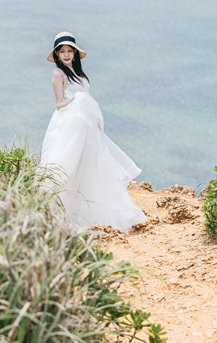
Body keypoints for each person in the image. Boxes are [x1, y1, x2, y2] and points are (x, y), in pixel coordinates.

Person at [40, 32, 147, 233]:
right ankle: (61, 211)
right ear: (56, 54)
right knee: (70, 163)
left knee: (91, 164)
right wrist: (80, 101)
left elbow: (86, 98)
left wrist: (93, 117)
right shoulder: (58, 73)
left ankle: (93, 210)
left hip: (86, 123)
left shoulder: (78, 72)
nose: (66, 55)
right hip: (71, 122)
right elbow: (59, 104)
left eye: (69, 51)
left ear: (74, 53)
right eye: (62, 52)